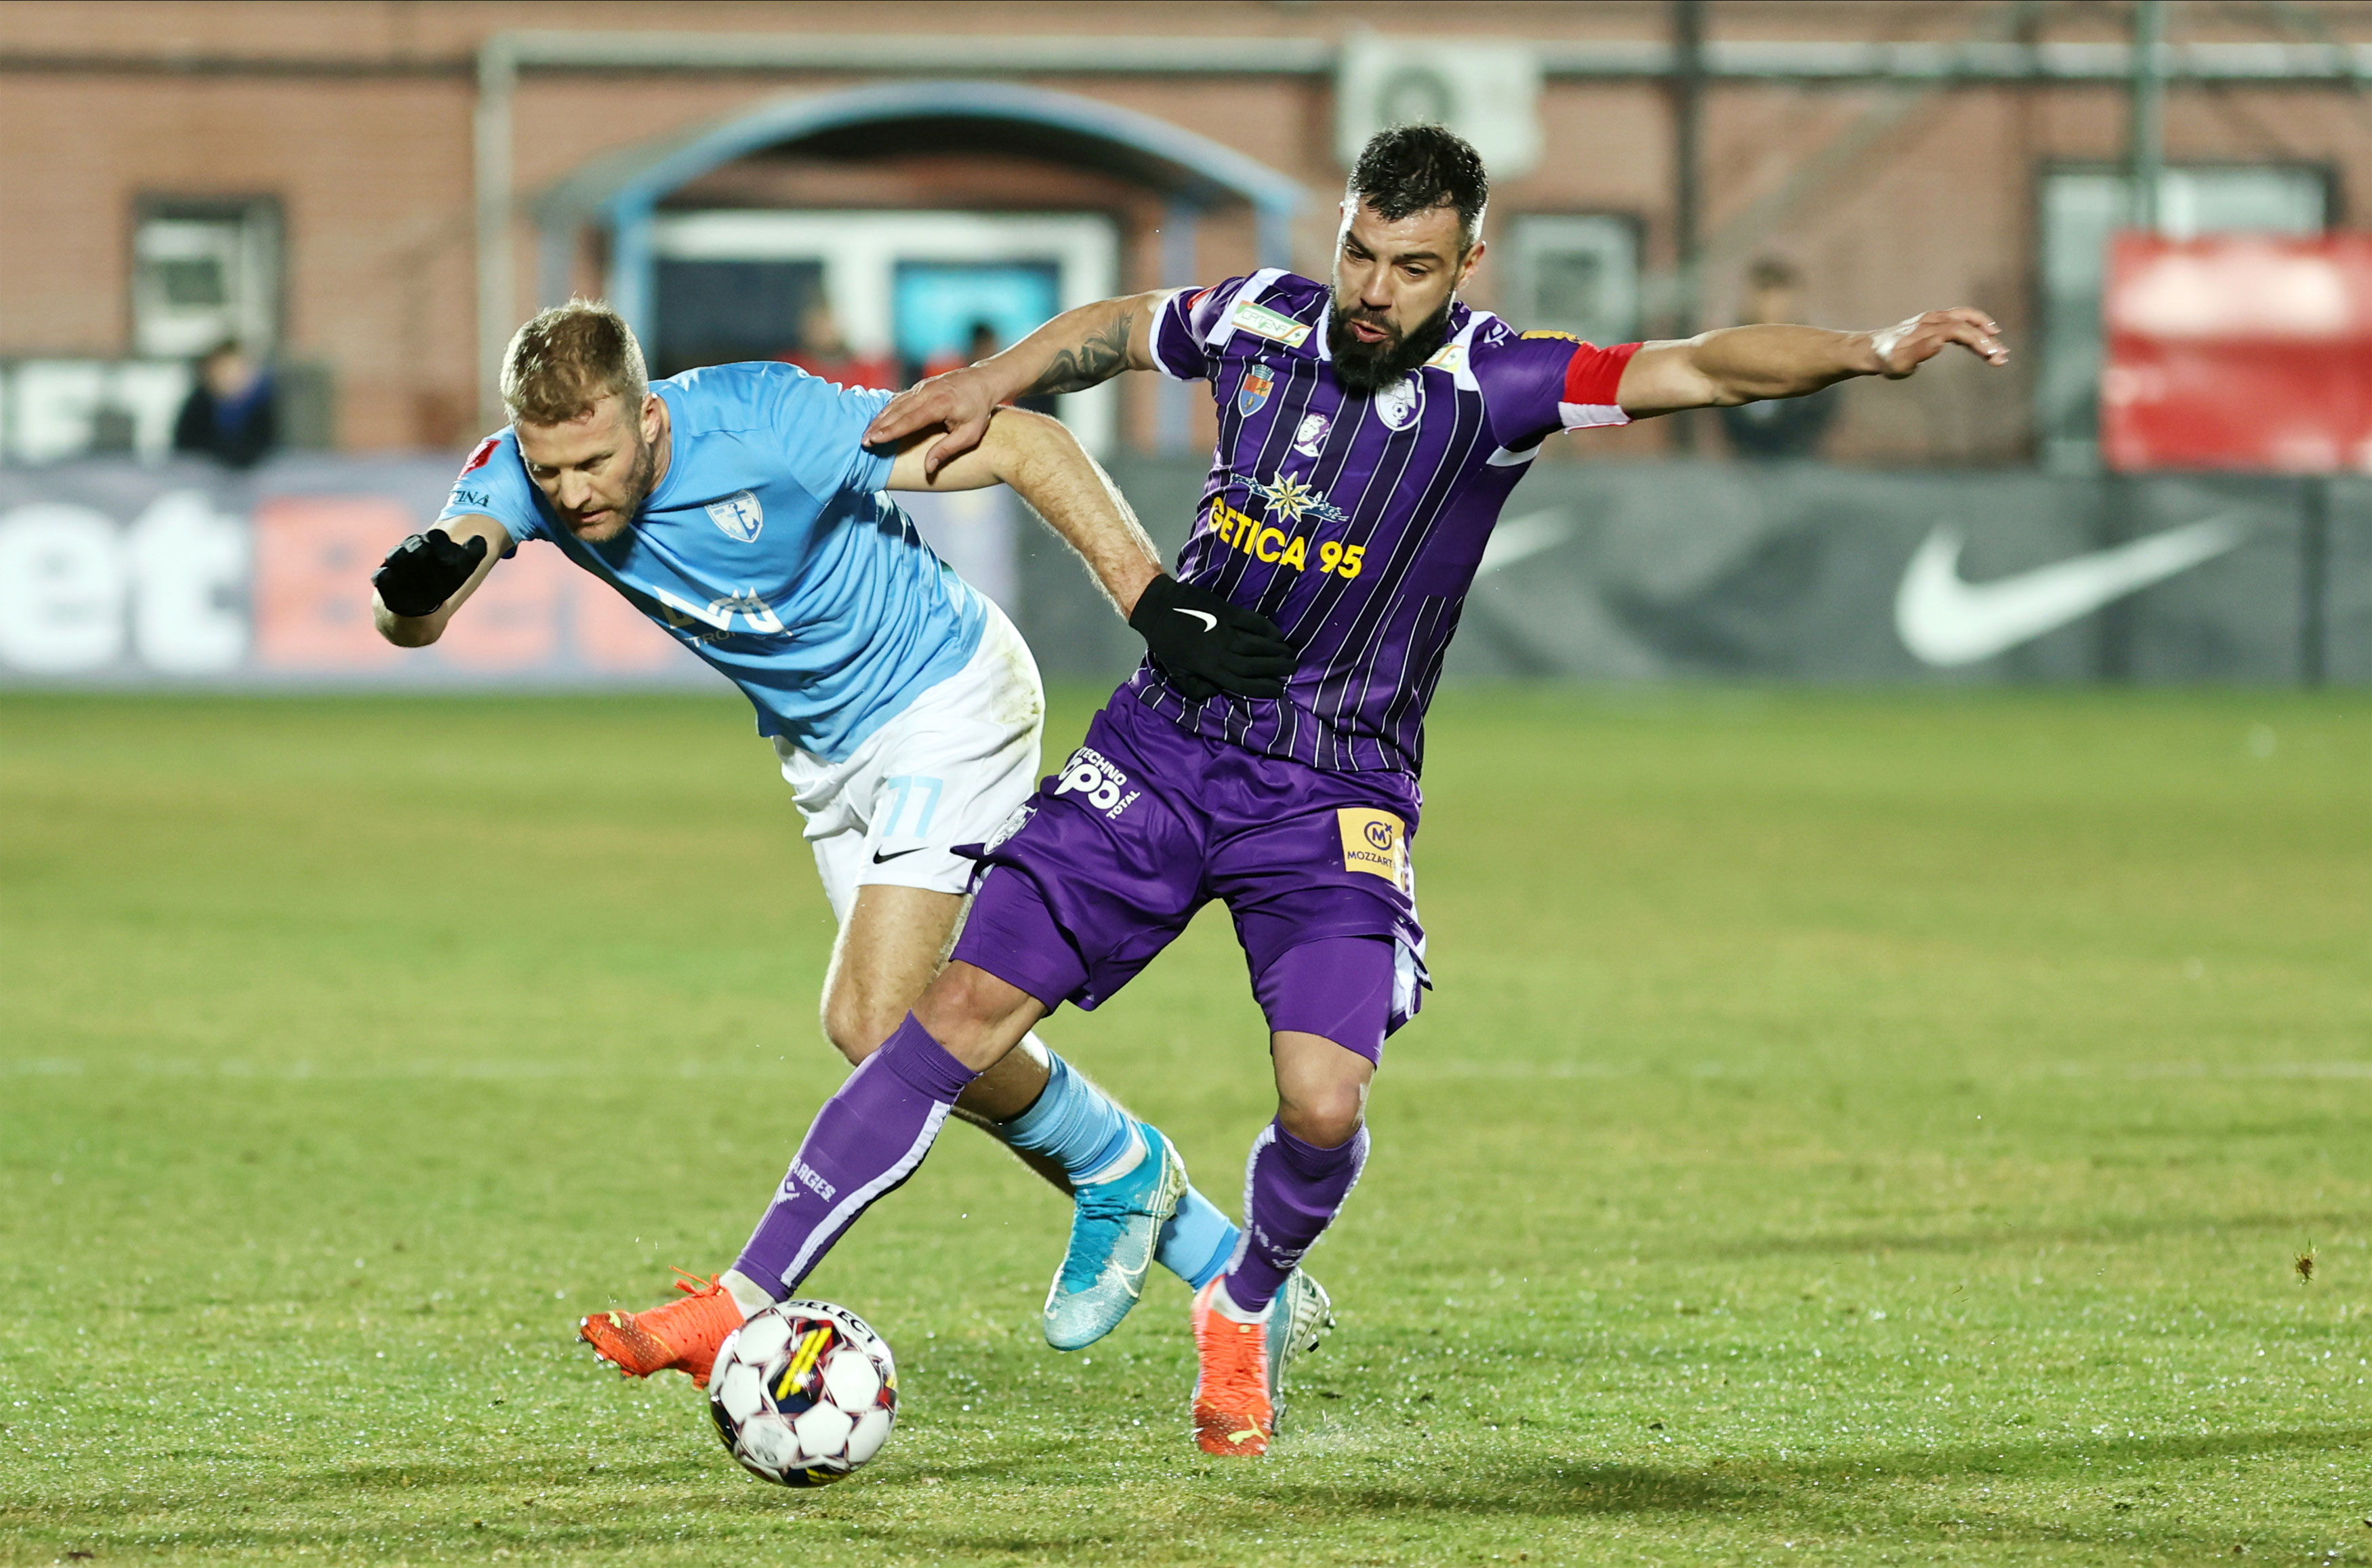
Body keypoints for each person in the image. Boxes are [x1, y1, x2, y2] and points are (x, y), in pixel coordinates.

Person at [618, 123, 2010, 1458]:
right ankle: (737, 1298)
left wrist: (1869, 351)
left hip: (1333, 789)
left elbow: (1702, 368)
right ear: (1339, 233)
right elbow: (1115, 327)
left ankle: (1243, 1294)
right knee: (951, 1013)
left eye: (1412, 267)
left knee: (1323, 1103)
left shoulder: (1502, 383)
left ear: (1466, 267)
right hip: (1161, 745)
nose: (1374, 290)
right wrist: (997, 378)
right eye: (1360, 253)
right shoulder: (1261, 319)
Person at [369, 299, 1321, 1389]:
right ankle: (1166, 1207)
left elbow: (1022, 441)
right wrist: (414, 591)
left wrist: (1150, 599)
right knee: (902, 1038)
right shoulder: (519, 478)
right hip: (823, 759)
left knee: (871, 1016)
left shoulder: (768, 421)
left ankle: (1104, 1181)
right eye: (550, 473)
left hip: (946, 700)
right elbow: (434, 590)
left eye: (594, 460)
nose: (573, 493)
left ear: (649, 419)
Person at [1717, 258, 1841, 460]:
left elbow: (1824, 405)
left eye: (1779, 295)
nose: (1772, 305)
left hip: (1798, 457)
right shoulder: (1731, 346)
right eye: (1765, 294)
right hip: (1743, 458)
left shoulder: (1814, 349)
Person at [171, 339, 277, 468]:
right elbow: (185, 451)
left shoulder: (268, 406)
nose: (227, 377)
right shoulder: (197, 408)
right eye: (221, 370)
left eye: (233, 370)